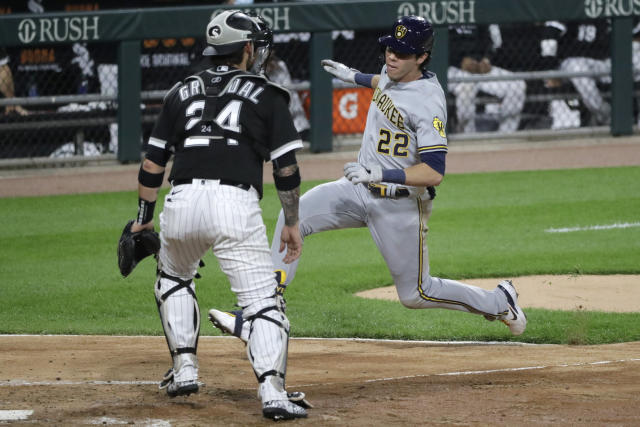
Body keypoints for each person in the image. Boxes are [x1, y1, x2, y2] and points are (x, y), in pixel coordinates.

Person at [209, 16, 527, 344]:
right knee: (295, 215)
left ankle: (499, 302)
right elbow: (383, 83)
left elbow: (434, 172)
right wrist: (354, 76)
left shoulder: (428, 102)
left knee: (416, 293)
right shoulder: (394, 74)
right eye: (390, 48)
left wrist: (381, 173)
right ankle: (263, 312)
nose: (392, 57)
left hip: (399, 205)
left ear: (421, 58)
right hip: (358, 189)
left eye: (402, 53)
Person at [126, 10, 307, 421]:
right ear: (246, 49)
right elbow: (287, 170)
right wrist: (292, 223)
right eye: (256, 45)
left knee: (172, 276)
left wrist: (142, 218)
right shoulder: (268, 93)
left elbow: (152, 165)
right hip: (234, 204)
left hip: (181, 201)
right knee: (262, 302)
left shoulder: (180, 91)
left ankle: (185, 367)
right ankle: (273, 393)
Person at [541, 19, 611, 126]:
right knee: (578, 69)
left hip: (602, 62)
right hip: (570, 64)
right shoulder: (566, 7)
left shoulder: (605, 7)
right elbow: (549, 36)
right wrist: (551, 71)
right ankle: (606, 116)